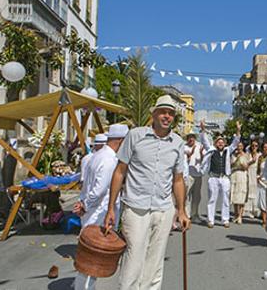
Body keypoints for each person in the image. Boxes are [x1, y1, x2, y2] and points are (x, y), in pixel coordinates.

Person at [103, 95, 190, 290]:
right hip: (135, 207)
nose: (167, 116)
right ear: (154, 114)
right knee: (134, 258)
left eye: (171, 113)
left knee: (155, 260)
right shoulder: (135, 135)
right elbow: (119, 172)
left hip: (164, 208)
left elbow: (178, 179)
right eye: (163, 112)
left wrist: (182, 210)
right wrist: (111, 209)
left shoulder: (177, 143)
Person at [73, 124, 128, 290]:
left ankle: (81, 286)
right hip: (99, 212)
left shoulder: (96, 155)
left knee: (87, 255)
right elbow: (100, 189)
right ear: (120, 141)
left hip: (91, 211)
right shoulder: (110, 160)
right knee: (94, 257)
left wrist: (83, 204)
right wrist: (86, 204)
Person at [199, 120, 241, 228]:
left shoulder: (228, 150)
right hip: (213, 177)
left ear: (225, 143)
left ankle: (225, 219)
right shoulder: (211, 150)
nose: (221, 143)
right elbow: (204, 141)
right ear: (215, 143)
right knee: (212, 199)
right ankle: (211, 220)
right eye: (218, 141)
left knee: (226, 200)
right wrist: (203, 129)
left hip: (225, 178)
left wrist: (238, 130)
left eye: (222, 142)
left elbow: (236, 142)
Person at [184, 132, 204, 223]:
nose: (191, 139)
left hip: (198, 175)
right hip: (188, 175)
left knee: (196, 197)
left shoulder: (199, 146)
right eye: (189, 137)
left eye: (192, 137)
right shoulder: (184, 147)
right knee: (186, 196)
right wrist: (189, 156)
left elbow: (204, 159)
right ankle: (186, 215)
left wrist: (201, 153)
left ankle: (194, 214)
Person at [231, 142, 250, 224]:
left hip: (242, 175)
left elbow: (247, 166)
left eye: (241, 146)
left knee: (242, 195)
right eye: (238, 146)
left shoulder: (246, 155)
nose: (239, 147)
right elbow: (231, 165)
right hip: (235, 174)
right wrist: (236, 160)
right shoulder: (233, 155)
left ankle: (240, 216)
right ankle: (235, 214)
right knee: (235, 195)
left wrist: (243, 165)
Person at [256, 142, 267, 227]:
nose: (266, 149)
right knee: (262, 201)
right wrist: (258, 176)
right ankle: (264, 220)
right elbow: (258, 170)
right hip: (261, 182)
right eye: (264, 147)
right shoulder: (260, 158)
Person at [244, 140, 260, 218]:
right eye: (253, 146)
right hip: (250, 173)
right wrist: (251, 161)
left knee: (257, 192)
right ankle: (248, 210)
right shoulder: (247, 155)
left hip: (257, 174)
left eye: (256, 146)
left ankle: (256, 210)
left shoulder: (260, 155)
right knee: (250, 191)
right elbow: (245, 165)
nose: (254, 147)